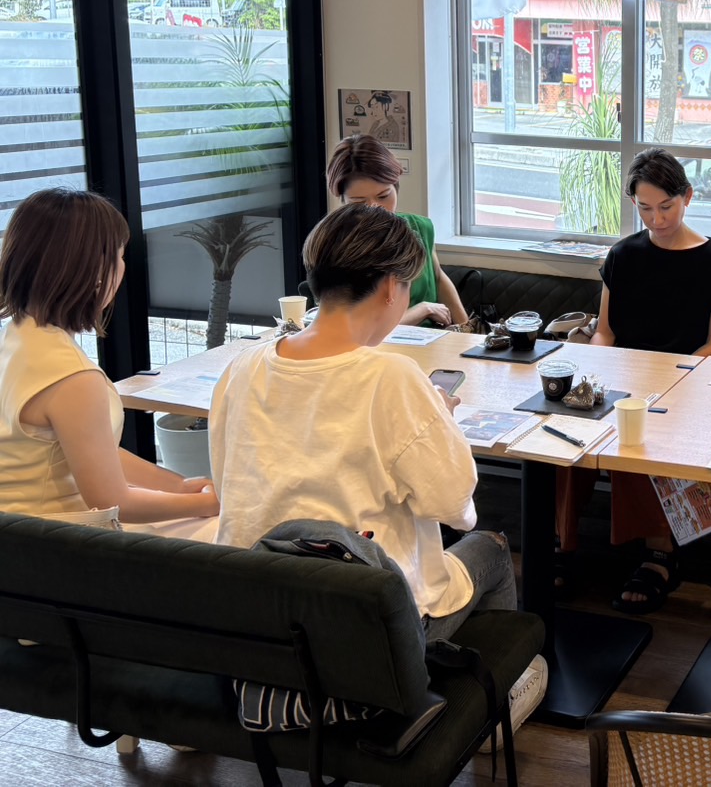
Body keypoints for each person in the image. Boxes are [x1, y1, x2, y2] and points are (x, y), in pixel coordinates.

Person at [208, 203, 545, 731]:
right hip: (367, 630)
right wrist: (440, 418)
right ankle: (488, 710)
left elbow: (226, 480)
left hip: (258, 620)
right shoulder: (392, 379)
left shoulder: (243, 365)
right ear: (391, 288)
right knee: (492, 549)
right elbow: (456, 507)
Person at [558, 148, 711, 613]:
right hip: (623, 377)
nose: (656, 220)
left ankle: (659, 552)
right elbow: (605, 331)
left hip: (685, 384)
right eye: (644, 209)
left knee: (639, 434)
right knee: (565, 433)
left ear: (687, 197)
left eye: (666, 207)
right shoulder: (622, 256)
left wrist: (674, 381)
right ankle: (561, 544)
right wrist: (595, 374)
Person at [0, 188, 219, 528]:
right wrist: (208, 504)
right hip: (52, 542)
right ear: (95, 271)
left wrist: (178, 485)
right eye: (120, 255)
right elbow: (113, 501)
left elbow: (88, 452)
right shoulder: (71, 377)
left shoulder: (16, 335)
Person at [325, 134, 468, 328]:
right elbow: (357, 327)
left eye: (383, 196)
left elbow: (437, 277)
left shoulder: (419, 227)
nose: (375, 208)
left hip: (436, 339)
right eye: (359, 202)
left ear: (396, 187)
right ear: (342, 201)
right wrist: (423, 310)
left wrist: (468, 329)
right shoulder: (336, 247)